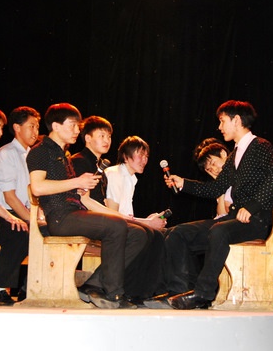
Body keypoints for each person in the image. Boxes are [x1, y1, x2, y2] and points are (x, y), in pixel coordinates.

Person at [162, 100, 273, 310]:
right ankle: (181, 292)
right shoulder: (235, 154)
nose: (219, 127)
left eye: (222, 121)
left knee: (219, 231)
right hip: (234, 219)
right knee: (179, 233)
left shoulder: (259, 145)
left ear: (236, 120)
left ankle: (204, 293)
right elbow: (215, 188)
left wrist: (252, 207)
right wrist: (183, 183)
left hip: (255, 220)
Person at [26, 103, 148, 309]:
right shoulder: (40, 152)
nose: (77, 130)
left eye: (78, 126)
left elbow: (78, 194)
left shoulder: (64, 155)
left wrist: (79, 187)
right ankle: (113, 293)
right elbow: (37, 187)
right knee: (116, 226)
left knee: (137, 234)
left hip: (75, 213)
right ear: (56, 126)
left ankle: (94, 285)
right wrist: (76, 182)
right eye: (72, 125)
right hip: (60, 217)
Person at [103, 135, 167, 306]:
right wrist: (146, 223)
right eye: (140, 155)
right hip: (110, 225)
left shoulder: (131, 178)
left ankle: (145, 292)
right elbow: (113, 215)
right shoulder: (114, 174)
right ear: (126, 157)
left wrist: (147, 220)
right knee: (146, 235)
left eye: (146, 156)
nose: (144, 160)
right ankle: (132, 291)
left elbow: (127, 215)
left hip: (121, 223)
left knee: (158, 235)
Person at [0, 106, 41, 303]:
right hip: (1, 212)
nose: (35, 132)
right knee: (21, 233)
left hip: (22, 211)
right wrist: (31, 220)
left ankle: (29, 289)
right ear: (17, 128)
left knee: (49, 232)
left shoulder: (31, 155)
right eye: (31, 126)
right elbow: (9, 197)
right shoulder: (6, 154)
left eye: (37, 127)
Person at [70, 115, 113, 205]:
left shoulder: (100, 163)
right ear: (88, 138)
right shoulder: (79, 161)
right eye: (102, 136)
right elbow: (84, 200)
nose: (107, 140)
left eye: (109, 136)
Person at [193, 137, 231, 220]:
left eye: (213, 163)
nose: (214, 170)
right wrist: (220, 184)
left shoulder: (238, 171)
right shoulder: (218, 186)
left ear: (223, 153)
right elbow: (222, 215)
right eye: (209, 169)